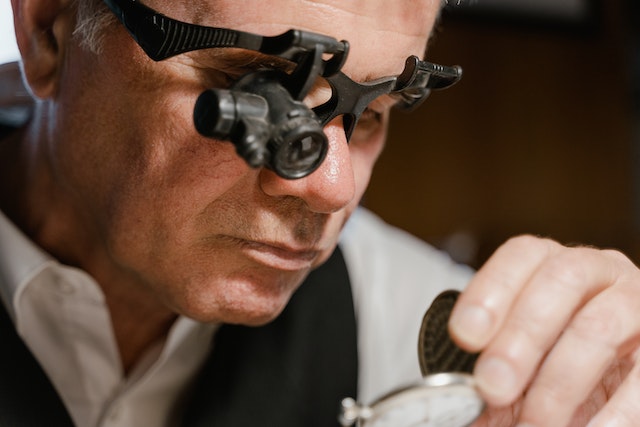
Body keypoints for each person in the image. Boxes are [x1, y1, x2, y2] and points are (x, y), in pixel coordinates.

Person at [1, 0, 639, 426]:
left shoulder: (430, 340)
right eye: (258, 94)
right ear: (49, 30)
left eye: (374, 115)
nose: (334, 189)